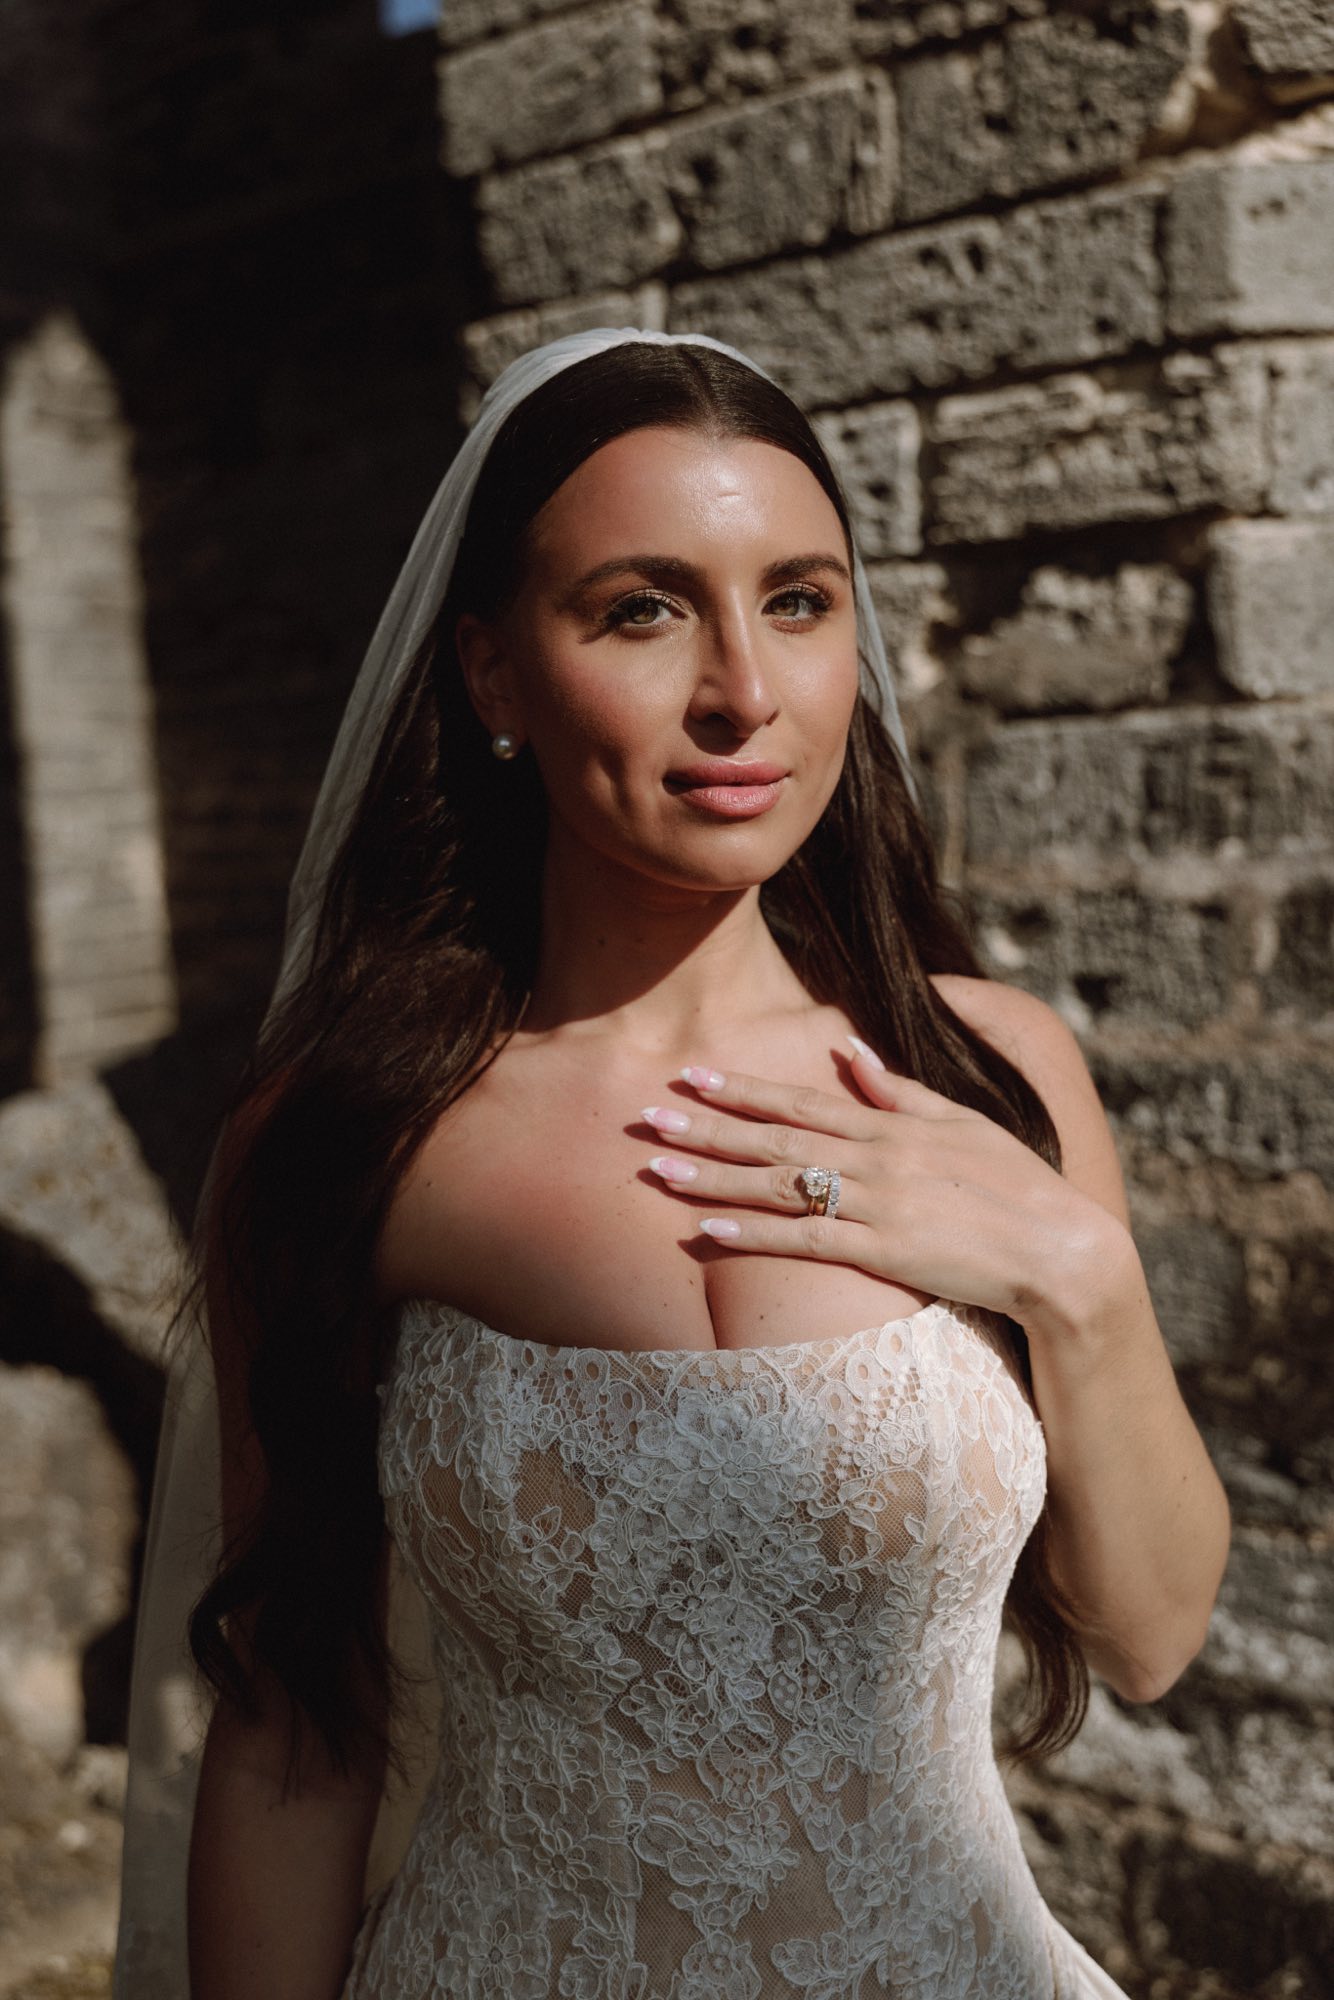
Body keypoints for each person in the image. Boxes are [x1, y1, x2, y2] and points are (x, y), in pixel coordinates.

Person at [113, 327, 1231, 2000]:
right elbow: (294, 1730)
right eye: (640, 609)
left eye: (797, 600)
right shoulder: (348, 1139)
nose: (743, 692)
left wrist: (1074, 1279)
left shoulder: (987, 1070)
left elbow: (1146, 1637)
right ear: (490, 675)